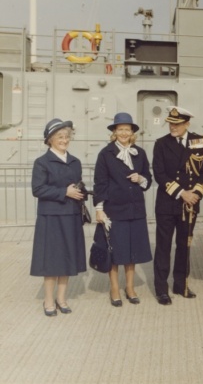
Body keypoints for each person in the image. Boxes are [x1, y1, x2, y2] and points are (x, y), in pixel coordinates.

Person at [93, 113, 153, 307]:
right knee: (115, 252)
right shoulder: (105, 154)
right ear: (114, 132)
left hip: (135, 209)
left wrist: (141, 179)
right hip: (114, 210)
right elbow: (100, 183)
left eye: (127, 129)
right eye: (120, 129)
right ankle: (114, 289)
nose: (124, 133)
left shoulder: (140, 153)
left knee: (132, 250)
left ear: (132, 132)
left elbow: (148, 179)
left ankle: (130, 287)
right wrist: (99, 209)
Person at [153, 106, 203, 305]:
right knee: (163, 246)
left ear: (187, 124)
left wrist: (195, 194)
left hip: (190, 205)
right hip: (168, 203)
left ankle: (181, 284)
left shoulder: (199, 142)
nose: (173, 127)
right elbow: (159, 174)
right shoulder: (161, 144)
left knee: (184, 246)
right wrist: (182, 193)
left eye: (177, 124)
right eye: (171, 123)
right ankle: (161, 289)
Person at [31, 119, 86, 316]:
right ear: (50, 140)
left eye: (67, 137)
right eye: (60, 137)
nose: (64, 140)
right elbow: (38, 189)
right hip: (51, 217)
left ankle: (61, 298)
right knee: (51, 260)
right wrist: (65, 192)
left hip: (70, 215)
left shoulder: (75, 162)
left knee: (67, 257)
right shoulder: (42, 163)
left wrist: (82, 192)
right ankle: (48, 300)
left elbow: (77, 185)